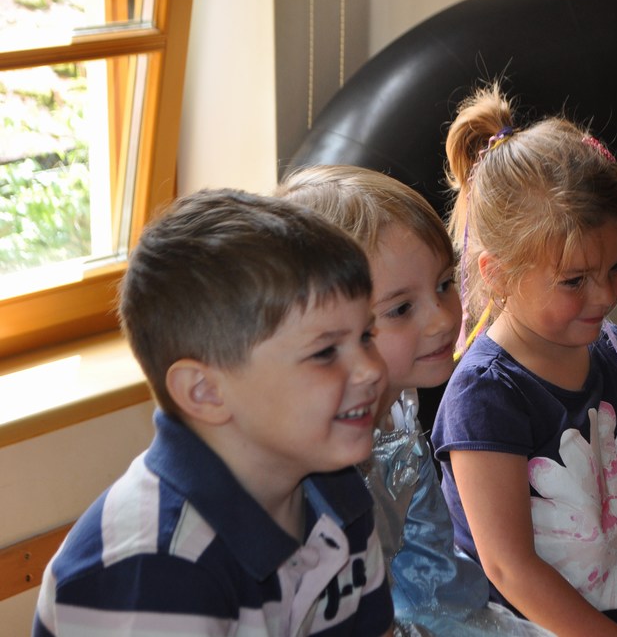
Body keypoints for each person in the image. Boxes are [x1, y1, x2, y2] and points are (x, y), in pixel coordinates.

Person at [33, 189, 394, 637]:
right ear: (204, 392)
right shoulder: (156, 568)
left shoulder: (337, 491)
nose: (371, 369)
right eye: (324, 352)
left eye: (366, 336)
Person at [431, 83, 617, 637]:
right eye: (574, 280)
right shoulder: (485, 396)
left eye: (616, 266)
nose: (605, 295)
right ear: (497, 274)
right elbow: (509, 568)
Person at [277, 164, 554, 637]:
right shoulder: (313, 465)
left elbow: (438, 576)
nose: (443, 319)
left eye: (444, 284)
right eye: (402, 308)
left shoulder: (399, 411)